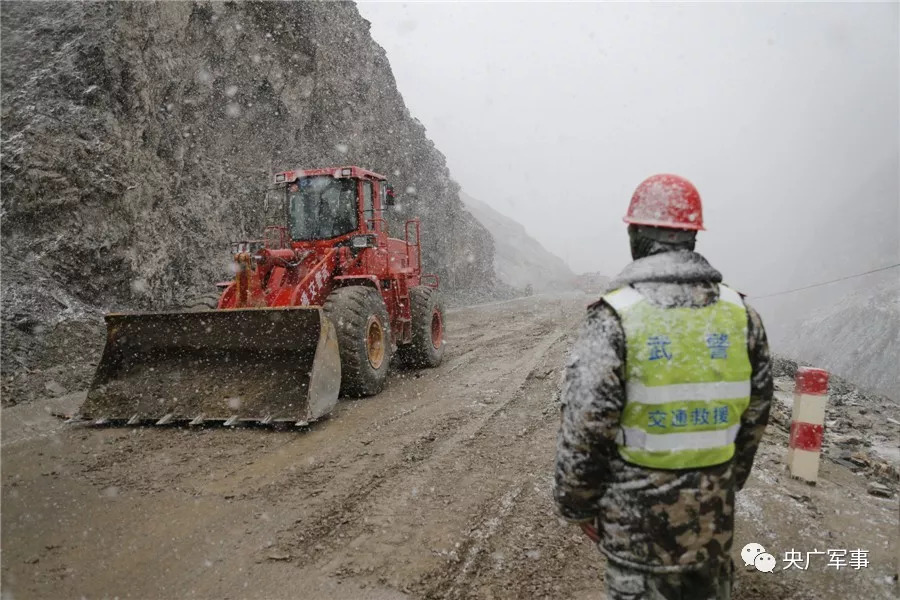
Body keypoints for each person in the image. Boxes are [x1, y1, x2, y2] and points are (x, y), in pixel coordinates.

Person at [553, 174, 773, 600]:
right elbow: (756, 415)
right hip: (712, 531)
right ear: (692, 236)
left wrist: (577, 505)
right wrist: (722, 485)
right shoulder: (740, 314)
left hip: (637, 536)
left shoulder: (616, 316)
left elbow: (585, 426)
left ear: (635, 234)